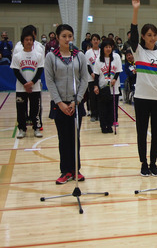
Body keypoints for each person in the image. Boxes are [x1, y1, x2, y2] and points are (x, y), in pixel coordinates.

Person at [130, 0, 157, 177]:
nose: (153, 38)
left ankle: (153, 162)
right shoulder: (138, 51)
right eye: (149, 35)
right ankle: (143, 163)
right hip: (142, 99)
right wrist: (136, 10)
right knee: (141, 133)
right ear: (143, 37)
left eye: (154, 35)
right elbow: (133, 34)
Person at [44, 24, 88, 185]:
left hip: (75, 103)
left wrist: (76, 100)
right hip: (60, 104)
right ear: (57, 37)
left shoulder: (79, 55)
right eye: (64, 36)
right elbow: (50, 81)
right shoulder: (51, 56)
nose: (67, 39)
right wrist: (60, 103)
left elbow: (84, 79)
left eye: (70, 36)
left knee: (75, 138)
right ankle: (65, 170)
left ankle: (76, 169)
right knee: (64, 139)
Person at [11, 27, 44, 138]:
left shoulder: (38, 55)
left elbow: (40, 70)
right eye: (26, 40)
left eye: (30, 39)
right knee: (21, 109)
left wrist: (32, 83)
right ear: (22, 41)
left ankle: (36, 128)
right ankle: (22, 129)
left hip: (35, 88)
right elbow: (16, 71)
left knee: (35, 109)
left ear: (33, 41)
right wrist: (25, 84)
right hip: (21, 88)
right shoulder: (17, 56)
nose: (29, 42)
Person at [93, 39, 122, 133]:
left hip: (114, 88)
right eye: (106, 47)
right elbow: (96, 75)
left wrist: (114, 79)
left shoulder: (116, 57)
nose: (108, 49)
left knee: (112, 108)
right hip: (103, 88)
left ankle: (110, 125)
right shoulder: (98, 59)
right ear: (103, 48)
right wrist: (96, 86)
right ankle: (103, 126)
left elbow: (118, 71)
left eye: (110, 47)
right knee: (103, 109)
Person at [84, 34, 100, 122]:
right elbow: (87, 65)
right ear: (91, 41)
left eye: (97, 39)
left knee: (100, 97)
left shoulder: (102, 51)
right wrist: (92, 73)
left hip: (100, 78)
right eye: (94, 39)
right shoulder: (88, 53)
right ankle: (93, 114)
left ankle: (100, 114)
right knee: (92, 97)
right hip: (91, 78)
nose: (96, 41)